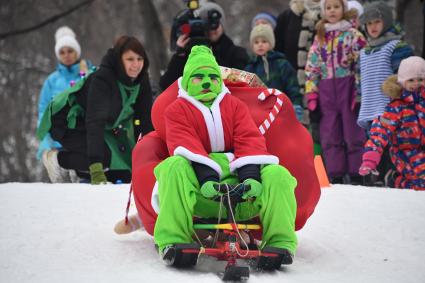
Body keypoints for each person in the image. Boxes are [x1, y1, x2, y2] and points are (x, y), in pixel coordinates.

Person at [154, 45, 298, 270]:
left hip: (241, 191)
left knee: (278, 174)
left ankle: (280, 242)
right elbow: (185, 144)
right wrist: (206, 179)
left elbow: (249, 140)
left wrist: (251, 177)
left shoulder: (235, 106)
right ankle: (173, 240)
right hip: (200, 193)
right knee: (173, 166)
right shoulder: (176, 110)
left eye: (212, 77)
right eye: (198, 77)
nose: (206, 82)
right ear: (188, 80)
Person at [38, 35, 154, 184]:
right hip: (67, 122)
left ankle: (80, 170)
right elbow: (95, 123)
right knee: (104, 158)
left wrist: (148, 158)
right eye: (130, 59)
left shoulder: (141, 79)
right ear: (119, 60)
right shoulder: (103, 79)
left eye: (140, 59)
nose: (136, 64)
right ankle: (57, 160)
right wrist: (96, 169)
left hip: (98, 125)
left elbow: (143, 120)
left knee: (126, 170)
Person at [305, 0, 367, 184]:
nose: (332, 11)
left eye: (336, 7)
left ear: (344, 9)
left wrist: (359, 91)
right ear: (324, 11)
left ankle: (357, 174)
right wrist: (312, 95)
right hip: (326, 90)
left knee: (353, 131)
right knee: (330, 133)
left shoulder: (353, 35)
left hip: (347, 87)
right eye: (328, 7)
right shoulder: (320, 37)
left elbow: (361, 64)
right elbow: (312, 67)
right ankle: (336, 174)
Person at [356, 1, 413, 185]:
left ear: (386, 21)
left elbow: (406, 78)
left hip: (390, 109)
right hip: (369, 109)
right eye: (369, 23)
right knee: (373, 146)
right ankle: (376, 178)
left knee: (391, 147)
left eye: (377, 22)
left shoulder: (397, 47)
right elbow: (362, 80)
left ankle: (393, 177)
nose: (373, 27)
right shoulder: (364, 52)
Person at [359, 56, 425, 190]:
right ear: (402, 82)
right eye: (411, 80)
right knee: (422, 183)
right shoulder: (396, 107)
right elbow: (380, 130)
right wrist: (371, 156)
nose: (416, 83)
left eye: (420, 79)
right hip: (405, 153)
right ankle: (395, 180)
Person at [158, 2, 249, 91]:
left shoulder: (236, 53)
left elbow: (242, 82)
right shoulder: (188, 55)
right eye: (204, 25)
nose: (210, 30)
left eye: (213, 24)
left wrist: (210, 57)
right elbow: (166, 85)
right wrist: (179, 55)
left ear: (222, 25)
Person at [37, 26, 92, 165]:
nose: (66, 55)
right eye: (62, 52)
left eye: (70, 51)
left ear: (77, 52)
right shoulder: (51, 80)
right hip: (56, 141)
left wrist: (84, 75)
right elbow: (44, 110)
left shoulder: (89, 73)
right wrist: (46, 138)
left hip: (83, 137)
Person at [274, 0, 322, 153]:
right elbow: (278, 53)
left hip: (326, 86)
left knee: (326, 133)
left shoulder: (333, 13)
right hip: (294, 90)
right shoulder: (288, 16)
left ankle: (328, 172)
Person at [245, 24, 303, 121]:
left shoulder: (281, 64)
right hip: (259, 114)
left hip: (282, 111)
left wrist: (296, 106)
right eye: (256, 42)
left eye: (264, 41)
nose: (260, 44)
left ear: (271, 43)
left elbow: (293, 87)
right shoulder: (250, 68)